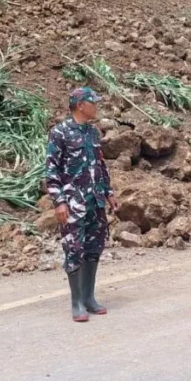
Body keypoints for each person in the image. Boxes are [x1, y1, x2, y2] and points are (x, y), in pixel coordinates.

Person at [45, 87, 120, 322]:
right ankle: (76, 302)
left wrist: (108, 193)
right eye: (92, 102)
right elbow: (51, 170)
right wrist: (59, 201)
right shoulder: (60, 133)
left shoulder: (93, 133)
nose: (96, 106)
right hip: (73, 203)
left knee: (93, 247)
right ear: (80, 105)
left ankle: (89, 297)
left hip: (94, 201)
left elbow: (100, 166)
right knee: (74, 249)